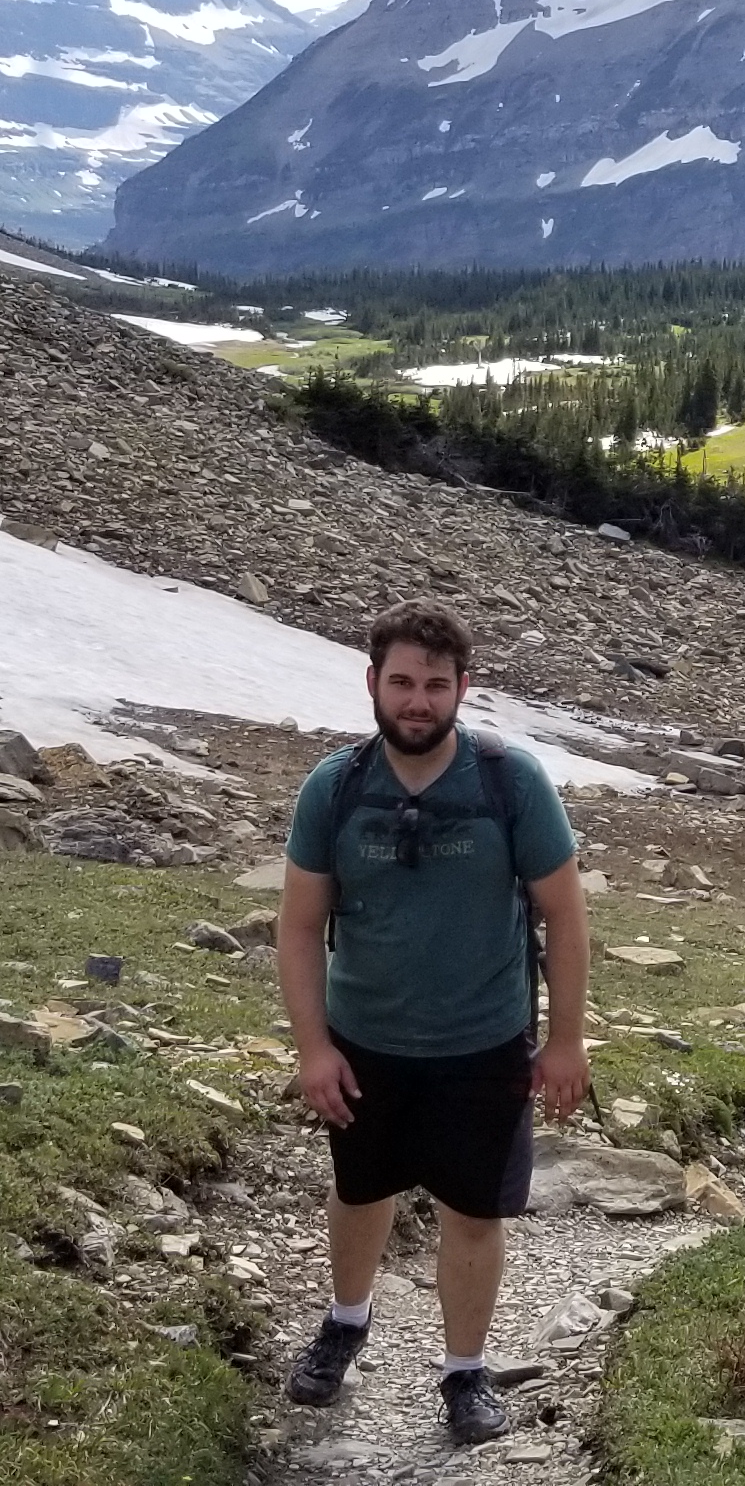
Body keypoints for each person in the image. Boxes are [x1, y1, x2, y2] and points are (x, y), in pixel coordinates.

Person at [274, 599, 592, 1442]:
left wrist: (564, 1039)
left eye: (436, 685)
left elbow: (564, 911)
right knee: (359, 1189)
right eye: (404, 682)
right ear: (373, 682)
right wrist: (313, 1047)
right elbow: (301, 923)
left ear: (463, 689)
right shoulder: (336, 787)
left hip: (483, 1042)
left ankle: (464, 1373)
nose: (418, 701)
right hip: (363, 1039)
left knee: (473, 1213)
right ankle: (346, 1321)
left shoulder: (509, 780)